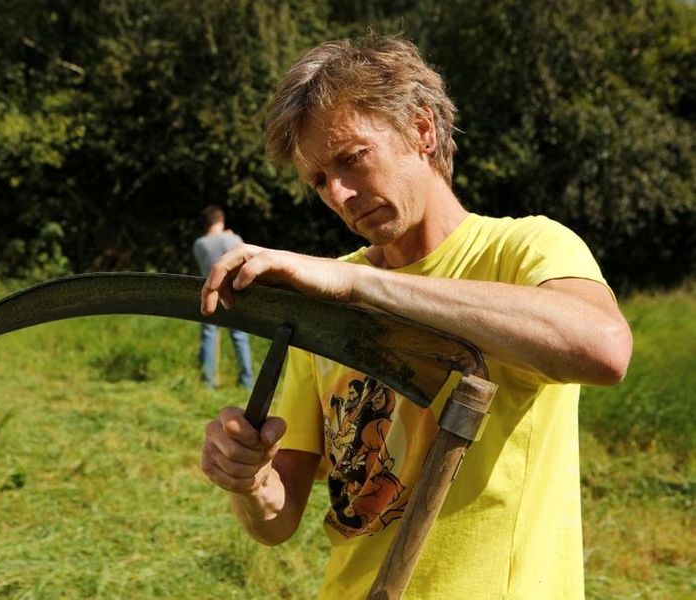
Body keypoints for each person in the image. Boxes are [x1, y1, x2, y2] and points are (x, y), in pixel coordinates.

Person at [198, 34, 633, 599]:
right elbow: (278, 519)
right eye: (319, 181)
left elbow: (603, 348)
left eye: (352, 159)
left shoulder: (523, 249)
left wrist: (362, 283)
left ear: (422, 131)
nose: (341, 194)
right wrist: (249, 480)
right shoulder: (323, 298)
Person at [192, 205, 254, 389]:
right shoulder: (234, 239)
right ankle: (246, 381)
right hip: (234, 295)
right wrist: (230, 236)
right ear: (222, 220)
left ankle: (208, 381)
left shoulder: (199, 244)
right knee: (240, 337)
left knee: (209, 337)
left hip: (209, 295)